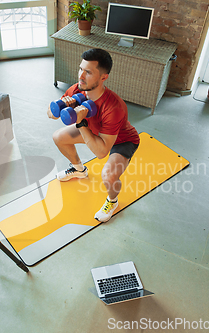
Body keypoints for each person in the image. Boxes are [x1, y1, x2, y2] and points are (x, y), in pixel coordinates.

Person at [47, 48, 140, 222]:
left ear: (104, 77)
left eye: (88, 72)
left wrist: (81, 123)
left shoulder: (114, 107)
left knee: (109, 176)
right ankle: (78, 169)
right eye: (81, 69)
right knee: (58, 137)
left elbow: (101, 152)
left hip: (121, 140)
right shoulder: (77, 90)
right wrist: (59, 107)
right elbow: (50, 114)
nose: (81, 76)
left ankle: (112, 201)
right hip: (94, 131)